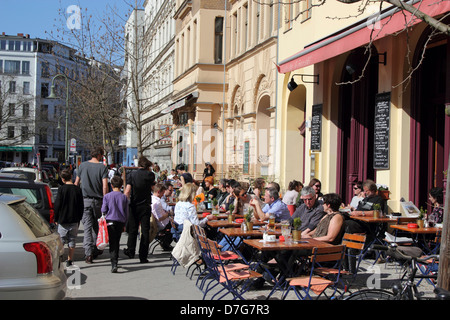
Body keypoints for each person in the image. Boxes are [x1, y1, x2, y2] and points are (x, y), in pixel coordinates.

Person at [74, 146, 109, 264]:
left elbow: (76, 183)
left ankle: (88, 254)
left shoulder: (82, 166)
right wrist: (106, 200)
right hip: (98, 201)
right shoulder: (102, 167)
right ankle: (95, 249)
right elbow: (105, 186)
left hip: (85, 201)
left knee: (87, 228)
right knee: (97, 226)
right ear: (99, 155)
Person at [123, 156, 156, 263]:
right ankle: (143, 256)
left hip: (134, 205)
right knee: (145, 231)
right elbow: (152, 188)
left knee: (132, 229)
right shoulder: (150, 175)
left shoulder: (131, 175)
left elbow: (127, 191)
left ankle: (131, 251)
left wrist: (124, 203)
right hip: (145, 205)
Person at [54, 169, 84, 267]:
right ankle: (70, 260)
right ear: (71, 177)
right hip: (74, 219)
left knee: (61, 240)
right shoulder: (77, 189)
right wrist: (79, 217)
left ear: (63, 179)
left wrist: (56, 218)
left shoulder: (61, 189)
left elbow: (57, 205)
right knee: (72, 240)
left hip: (63, 219)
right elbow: (81, 205)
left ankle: (60, 258)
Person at [101, 176, 129, 273]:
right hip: (120, 222)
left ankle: (114, 262)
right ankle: (115, 261)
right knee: (117, 240)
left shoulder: (107, 196)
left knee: (113, 242)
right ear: (121, 186)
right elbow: (126, 212)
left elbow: (103, 210)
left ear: (111, 185)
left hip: (110, 221)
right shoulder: (124, 197)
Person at [151, 183, 173, 251]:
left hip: (162, 223)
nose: (163, 195)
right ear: (158, 192)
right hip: (162, 225)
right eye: (162, 193)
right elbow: (159, 218)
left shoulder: (152, 198)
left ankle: (165, 243)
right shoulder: (157, 202)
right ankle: (166, 244)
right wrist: (168, 214)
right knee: (176, 226)